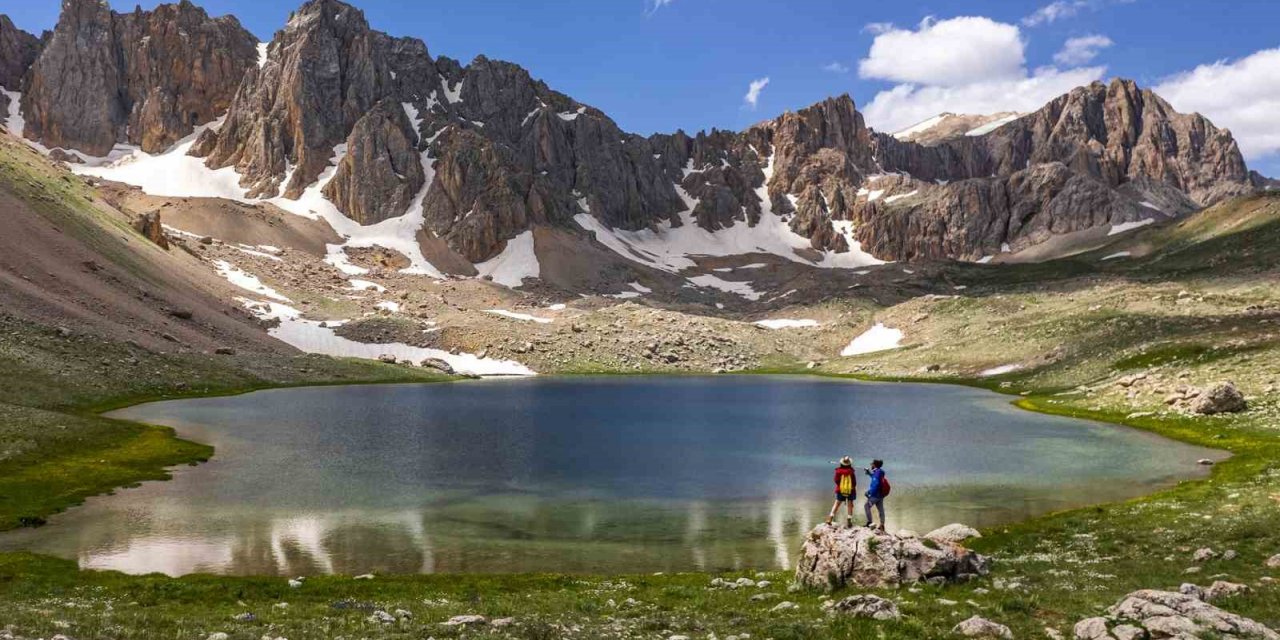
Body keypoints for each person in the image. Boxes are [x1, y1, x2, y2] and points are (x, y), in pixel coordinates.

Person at [825, 456, 856, 527]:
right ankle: (849, 520)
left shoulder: (838, 471)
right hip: (851, 490)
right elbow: (854, 482)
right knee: (850, 505)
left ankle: (830, 518)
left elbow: (836, 480)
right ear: (849, 464)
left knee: (837, 504)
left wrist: (841, 486)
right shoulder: (851, 472)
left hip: (840, 490)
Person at [863, 459, 887, 530]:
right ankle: (882, 525)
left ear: (874, 465)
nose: (871, 465)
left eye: (872, 464)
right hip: (880, 495)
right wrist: (869, 473)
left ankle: (869, 523)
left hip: (875, 495)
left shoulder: (877, 473)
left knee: (866, 506)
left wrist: (869, 492)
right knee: (881, 510)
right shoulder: (879, 472)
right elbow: (875, 478)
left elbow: (876, 484)